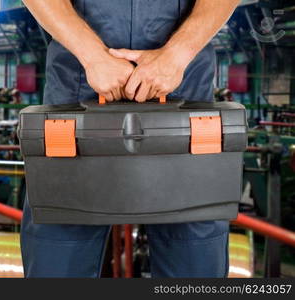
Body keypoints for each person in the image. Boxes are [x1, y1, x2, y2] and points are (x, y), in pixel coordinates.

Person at [20, 0, 240, 277]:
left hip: (185, 93)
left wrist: (176, 56)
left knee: (194, 259)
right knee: (57, 253)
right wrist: (93, 57)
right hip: (75, 93)